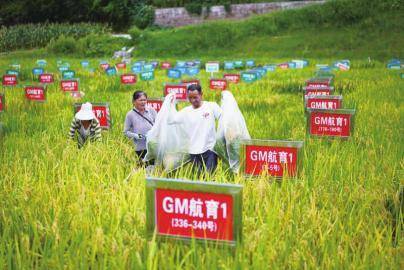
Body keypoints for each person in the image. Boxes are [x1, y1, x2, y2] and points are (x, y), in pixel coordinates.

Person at [168, 84, 222, 174]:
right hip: (193, 151)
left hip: (210, 149)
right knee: (198, 177)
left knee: (209, 176)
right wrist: (170, 104)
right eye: (190, 98)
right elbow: (171, 120)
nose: (193, 100)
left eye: (195, 97)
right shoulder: (186, 111)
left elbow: (223, 118)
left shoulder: (211, 106)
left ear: (201, 94)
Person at [124, 90, 157, 161]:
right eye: (140, 100)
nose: (143, 102)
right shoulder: (130, 115)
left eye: (145, 100)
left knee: (154, 168)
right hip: (140, 148)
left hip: (153, 146)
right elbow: (126, 132)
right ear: (134, 101)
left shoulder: (151, 111)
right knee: (142, 167)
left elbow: (158, 125)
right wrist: (136, 135)